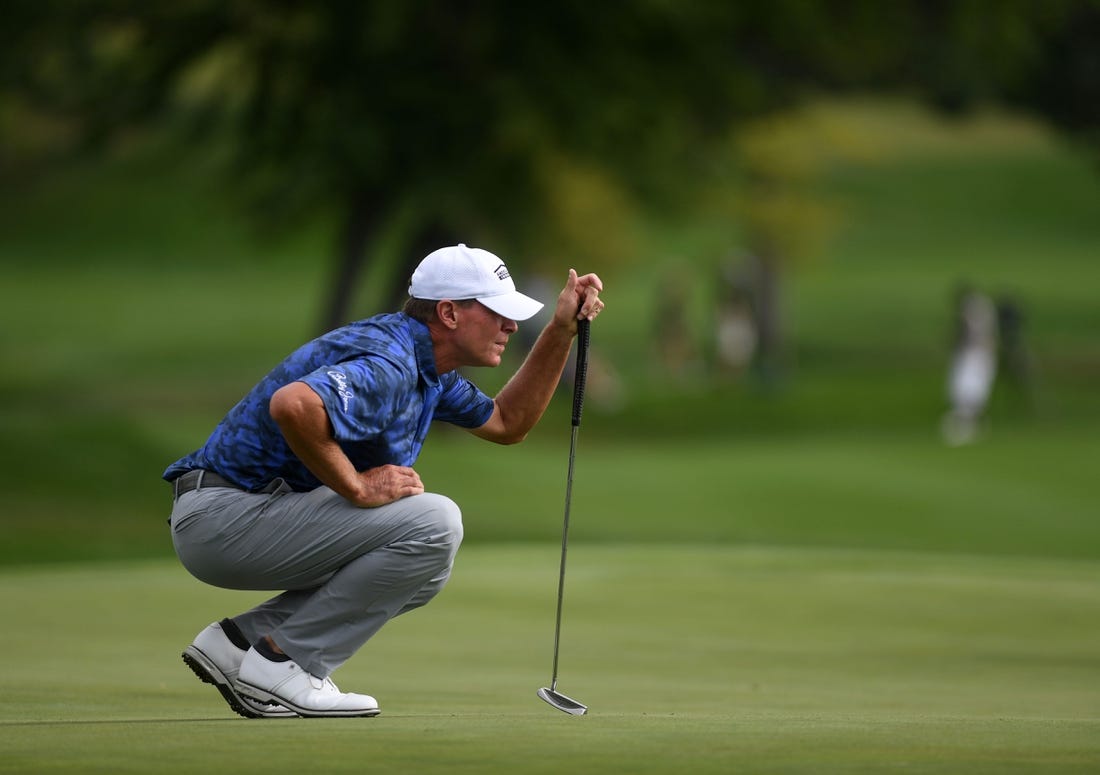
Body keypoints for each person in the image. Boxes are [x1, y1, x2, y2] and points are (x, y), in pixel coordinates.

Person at [163, 244, 605, 718]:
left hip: (236, 515)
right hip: (226, 518)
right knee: (434, 523)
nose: (511, 327)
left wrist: (561, 331)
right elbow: (294, 404)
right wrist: (356, 485)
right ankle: (285, 663)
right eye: (497, 312)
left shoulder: (427, 367)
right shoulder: (392, 364)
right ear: (450, 313)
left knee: (426, 568)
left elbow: (507, 421)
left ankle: (240, 644)